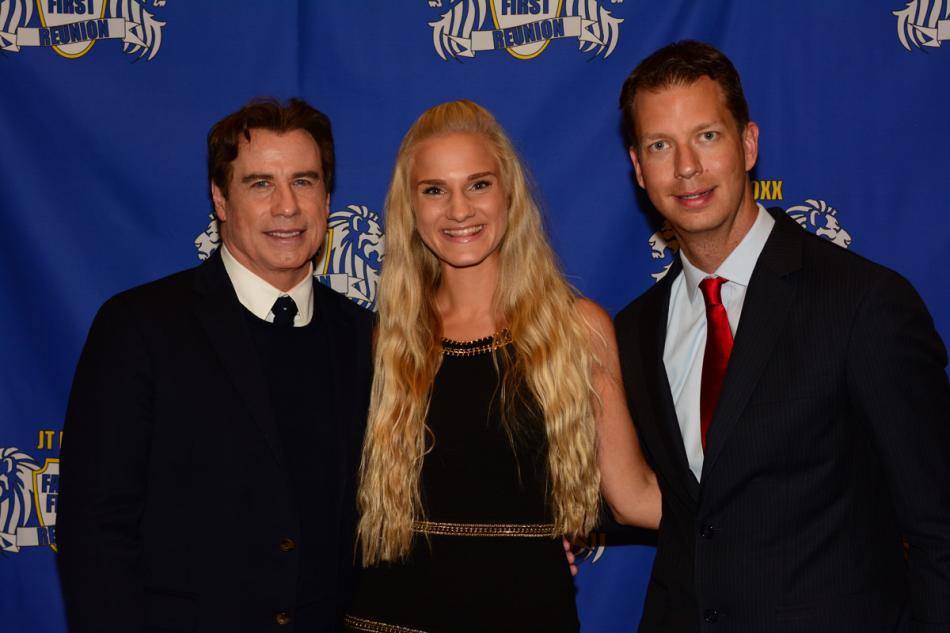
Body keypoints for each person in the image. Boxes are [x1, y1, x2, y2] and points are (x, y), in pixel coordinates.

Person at [614, 40, 950, 632]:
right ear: (639, 169)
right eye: (660, 145)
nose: (686, 166)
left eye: (707, 136)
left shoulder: (862, 303)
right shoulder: (636, 328)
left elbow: (938, 526)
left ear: (748, 145)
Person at [56, 98, 374, 633]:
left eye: (303, 181)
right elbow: (96, 528)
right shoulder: (139, 327)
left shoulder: (366, 336)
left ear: (326, 198)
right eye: (260, 184)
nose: (287, 206)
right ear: (221, 199)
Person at [343, 100, 659, 633]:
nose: (459, 210)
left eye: (478, 184)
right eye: (434, 190)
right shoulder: (387, 341)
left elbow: (635, 499)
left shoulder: (576, 330)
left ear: (508, 193)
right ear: (409, 208)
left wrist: (774, 515)